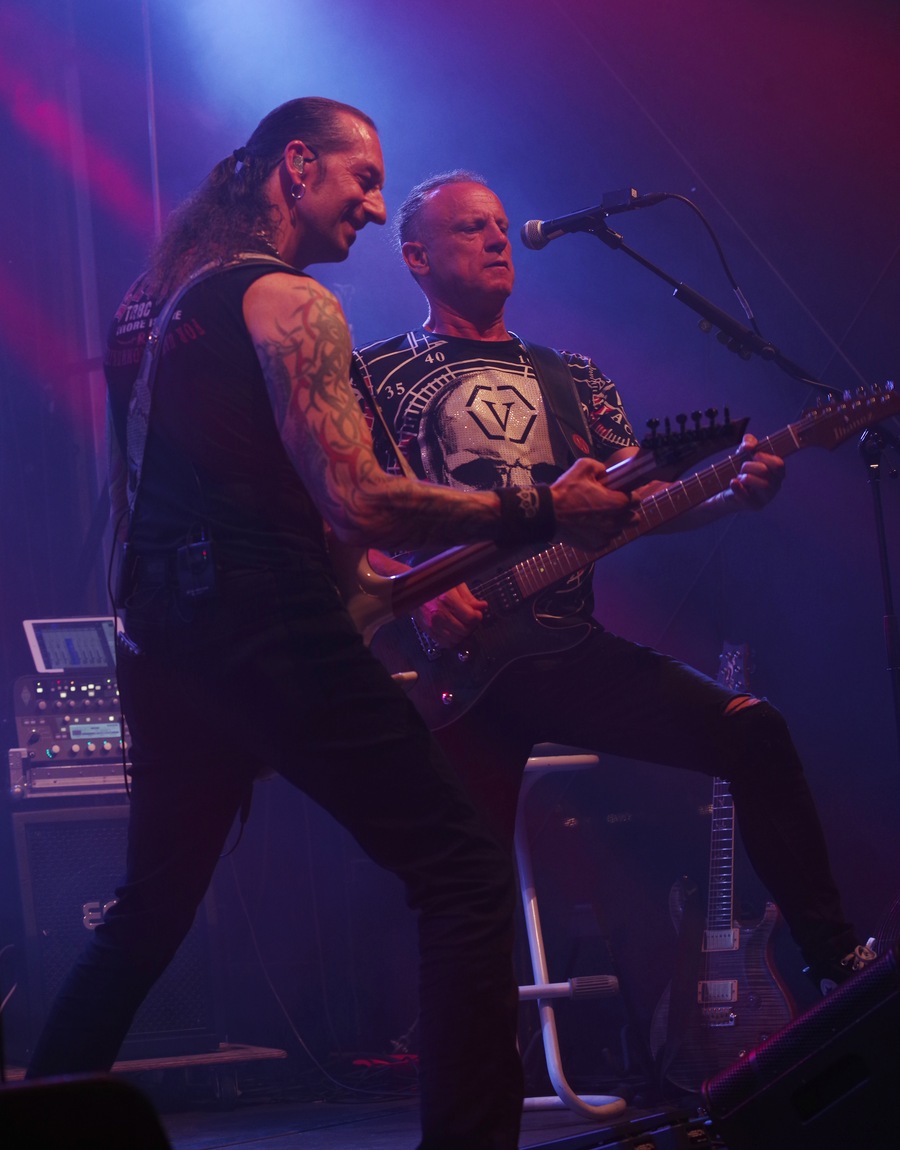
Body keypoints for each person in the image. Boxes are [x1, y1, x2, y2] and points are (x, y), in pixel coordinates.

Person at [25, 102, 641, 1150]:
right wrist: (541, 505)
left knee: (149, 912)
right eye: (363, 178)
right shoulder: (291, 301)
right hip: (264, 624)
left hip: (163, 638)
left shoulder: (157, 302)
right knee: (462, 867)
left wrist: (369, 583)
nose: (373, 205)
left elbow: (198, 487)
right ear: (298, 165)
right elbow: (358, 498)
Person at [350, 170, 876, 1001]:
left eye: (500, 223)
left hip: (564, 651)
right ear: (416, 257)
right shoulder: (370, 376)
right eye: (471, 228)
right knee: (467, 898)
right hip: (443, 673)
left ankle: (836, 967)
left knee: (753, 731)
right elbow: (333, 518)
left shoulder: (575, 379)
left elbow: (642, 508)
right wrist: (416, 587)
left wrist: (731, 497)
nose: (497, 238)